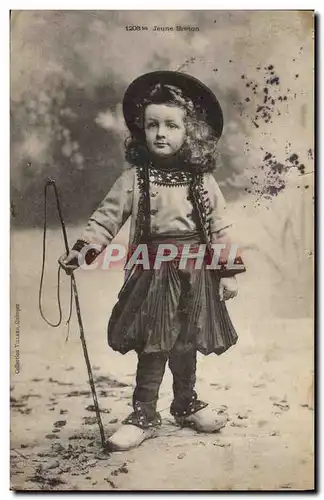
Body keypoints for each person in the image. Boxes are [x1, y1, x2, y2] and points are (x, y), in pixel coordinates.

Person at [59, 71, 246, 451]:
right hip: (153, 272)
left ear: (190, 132)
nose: (161, 133)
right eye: (152, 125)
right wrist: (81, 251)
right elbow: (106, 218)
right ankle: (143, 413)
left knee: (186, 341)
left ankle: (186, 403)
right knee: (154, 343)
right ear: (141, 131)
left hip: (195, 272)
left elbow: (220, 225)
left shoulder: (202, 181)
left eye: (171, 125)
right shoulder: (134, 179)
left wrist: (226, 273)